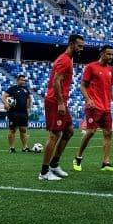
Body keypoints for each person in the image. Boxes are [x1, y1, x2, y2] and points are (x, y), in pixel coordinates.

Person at [40, 34, 84, 181]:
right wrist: (60, 102)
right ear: (71, 44)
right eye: (79, 46)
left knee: (69, 131)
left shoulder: (69, 59)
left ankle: (54, 164)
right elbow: (55, 82)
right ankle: (44, 172)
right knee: (54, 135)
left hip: (61, 101)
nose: (81, 49)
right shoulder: (64, 60)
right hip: (55, 101)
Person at [73, 45, 113, 172]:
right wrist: (88, 99)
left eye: (112, 54)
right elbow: (82, 86)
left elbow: (110, 89)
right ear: (101, 54)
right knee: (90, 132)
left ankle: (105, 163)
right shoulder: (91, 67)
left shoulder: (111, 70)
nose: (111, 57)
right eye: (108, 54)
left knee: (108, 134)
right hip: (93, 106)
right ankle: (78, 157)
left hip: (106, 107)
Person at [2, 73, 33, 153]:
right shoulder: (12, 89)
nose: (23, 82)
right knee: (12, 130)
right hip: (13, 112)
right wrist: (5, 104)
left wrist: (29, 107)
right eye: (22, 80)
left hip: (23, 113)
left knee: (23, 130)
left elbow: (30, 98)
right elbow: (3, 96)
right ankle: (12, 148)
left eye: (24, 80)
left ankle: (25, 147)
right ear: (18, 80)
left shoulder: (26, 89)